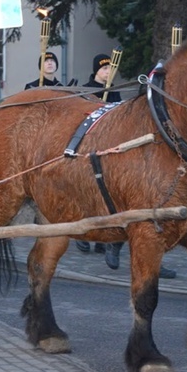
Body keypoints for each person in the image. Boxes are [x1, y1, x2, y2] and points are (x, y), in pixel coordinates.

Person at [76, 53, 121, 255]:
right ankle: (81, 234)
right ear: (97, 70)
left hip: (108, 145)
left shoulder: (114, 91)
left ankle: (102, 237)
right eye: (104, 68)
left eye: (110, 68)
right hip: (90, 144)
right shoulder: (87, 90)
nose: (108, 72)